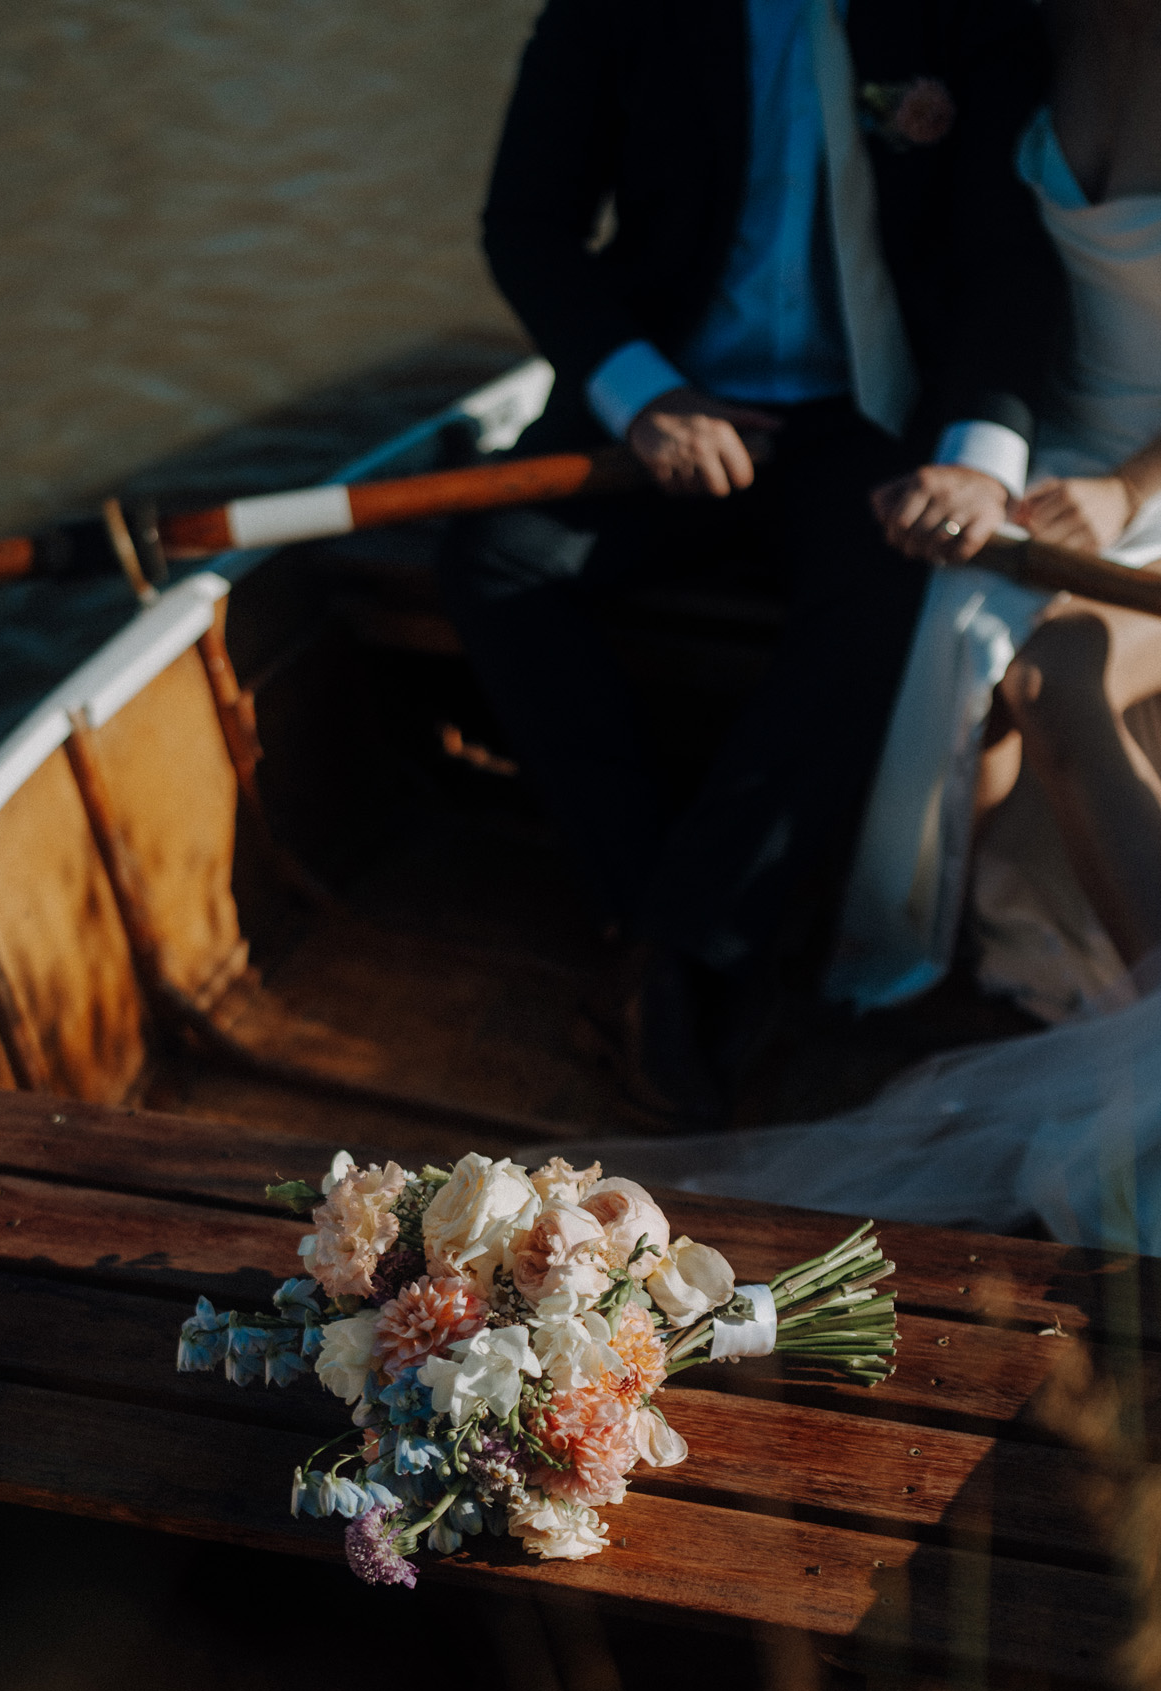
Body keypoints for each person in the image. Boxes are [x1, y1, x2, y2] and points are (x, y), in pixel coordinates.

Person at [602, 0, 1161, 1276]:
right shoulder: (1048, 19)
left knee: (1058, 672)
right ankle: (944, 962)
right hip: (1064, 453)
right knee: (935, 631)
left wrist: (1131, 494)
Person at [438, 0, 1068, 1124]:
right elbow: (523, 226)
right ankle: (672, 938)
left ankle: (667, 953)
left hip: (867, 414)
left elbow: (1010, 254)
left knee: (889, 590)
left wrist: (978, 459)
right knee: (497, 562)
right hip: (674, 402)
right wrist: (644, 398)